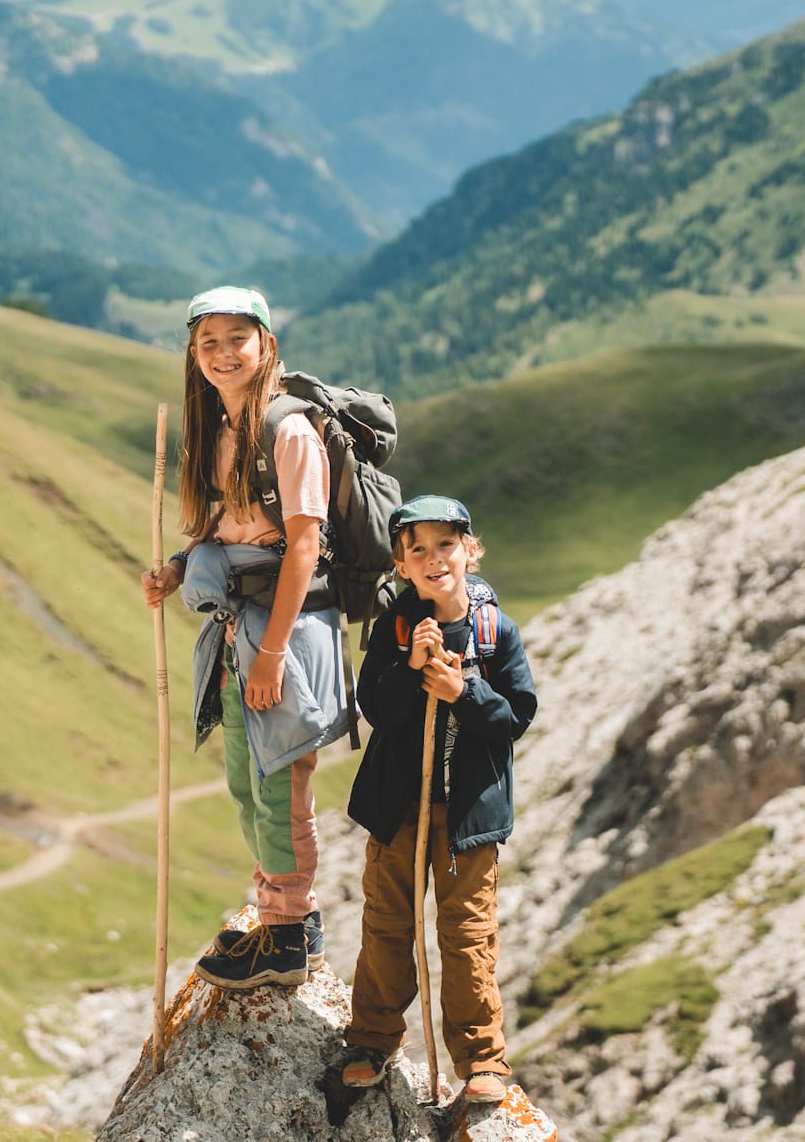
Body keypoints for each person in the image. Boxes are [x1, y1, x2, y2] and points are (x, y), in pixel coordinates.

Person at [140, 285, 350, 990]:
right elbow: (227, 527)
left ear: (267, 345)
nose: (224, 354)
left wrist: (270, 655)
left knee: (279, 782)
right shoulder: (220, 430)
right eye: (208, 342)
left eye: (238, 338)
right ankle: (281, 914)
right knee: (244, 779)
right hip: (241, 629)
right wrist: (177, 569)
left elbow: (303, 548)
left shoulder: (289, 431)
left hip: (281, 633)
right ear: (193, 356)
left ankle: (288, 937)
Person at [340, 495, 537, 1105]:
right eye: (417, 549)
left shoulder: (495, 631)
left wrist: (463, 689)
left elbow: (515, 717)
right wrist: (409, 665)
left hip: (467, 820)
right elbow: (376, 708)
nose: (433, 559)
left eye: (445, 545)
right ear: (401, 565)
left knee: (467, 934)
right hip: (399, 809)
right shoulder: (395, 627)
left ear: (469, 552)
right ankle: (372, 1040)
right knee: (387, 924)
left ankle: (482, 1060)